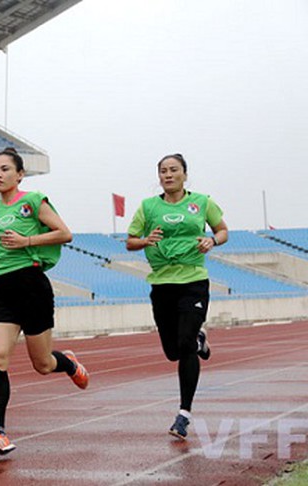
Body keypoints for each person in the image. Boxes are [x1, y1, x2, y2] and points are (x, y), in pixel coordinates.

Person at [0, 148, 89, 459]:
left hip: (32, 285)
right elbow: (4, 249)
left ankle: (68, 363)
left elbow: (64, 233)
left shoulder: (34, 201)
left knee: (43, 364)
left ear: (20, 174)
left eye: (5, 169)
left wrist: (27, 241)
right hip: (1, 288)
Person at [126, 153, 228, 440]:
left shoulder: (202, 202)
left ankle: (184, 414)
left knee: (184, 345)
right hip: (162, 284)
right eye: (163, 171)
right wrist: (145, 241)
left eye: (173, 170)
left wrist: (212, 240)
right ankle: (199, 339)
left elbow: (222, 231)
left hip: (193, 280)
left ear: (185, 174)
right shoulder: (148, 206)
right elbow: (130, 241)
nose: (168, 175)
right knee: (173, 352)